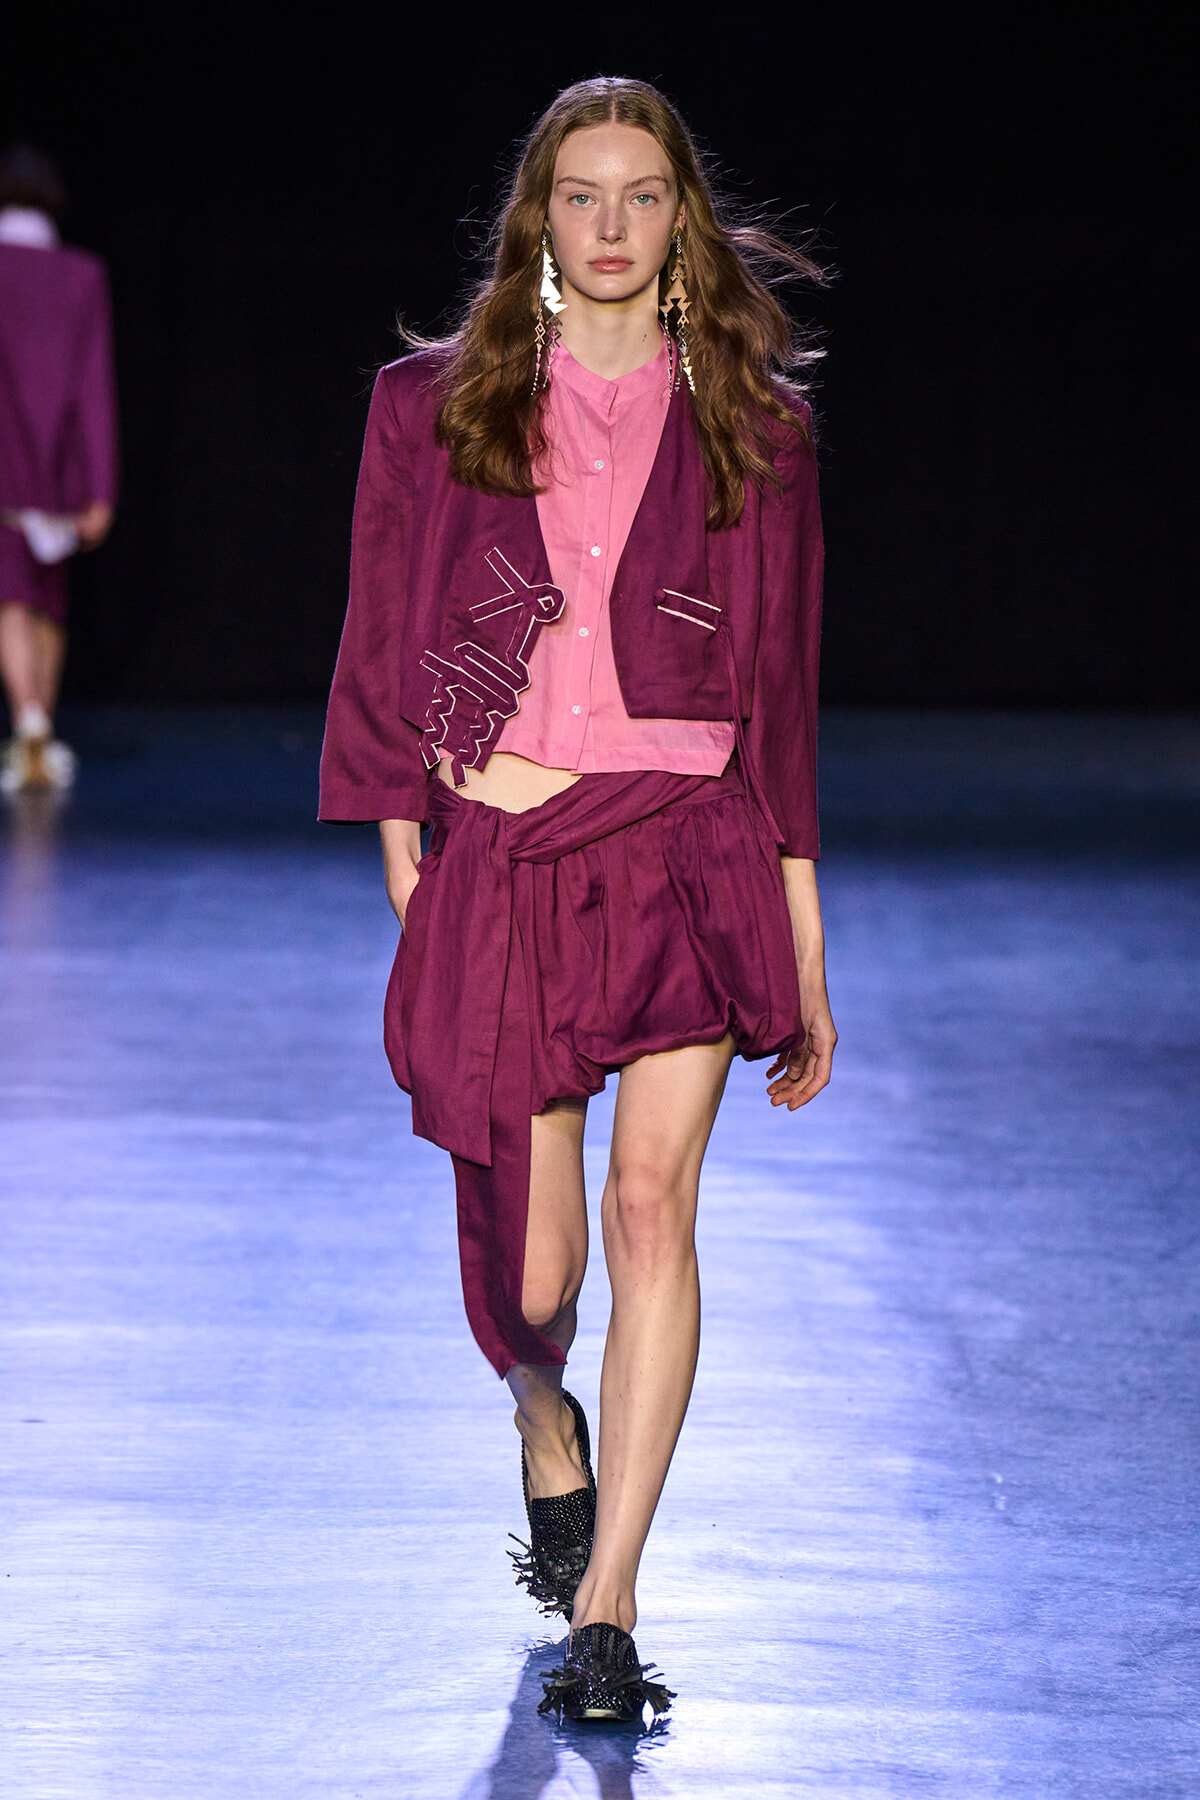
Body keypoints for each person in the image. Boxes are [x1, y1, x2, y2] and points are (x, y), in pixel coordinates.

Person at [319, 76, 836, 1724]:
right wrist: (408, 841)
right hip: (513, 845)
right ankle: (544, 1413)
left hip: (688, 844)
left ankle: (609, 1600)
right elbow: (383, 627)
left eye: (642, 197)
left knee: (650, 1211)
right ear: (539, 221)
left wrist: (806, 954)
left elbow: (787, 695)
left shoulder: (756, 423)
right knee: (536, 1274)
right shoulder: (439, 404)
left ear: (681, 220)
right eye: (581, 198)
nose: (611, 228)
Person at [0, 143, 118, 794]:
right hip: (60, 467)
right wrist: (100, 487)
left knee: (10, 595)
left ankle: (28, 722)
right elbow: (93, 386)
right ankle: (38, 723)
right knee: (47, 600)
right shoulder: (81, 274)